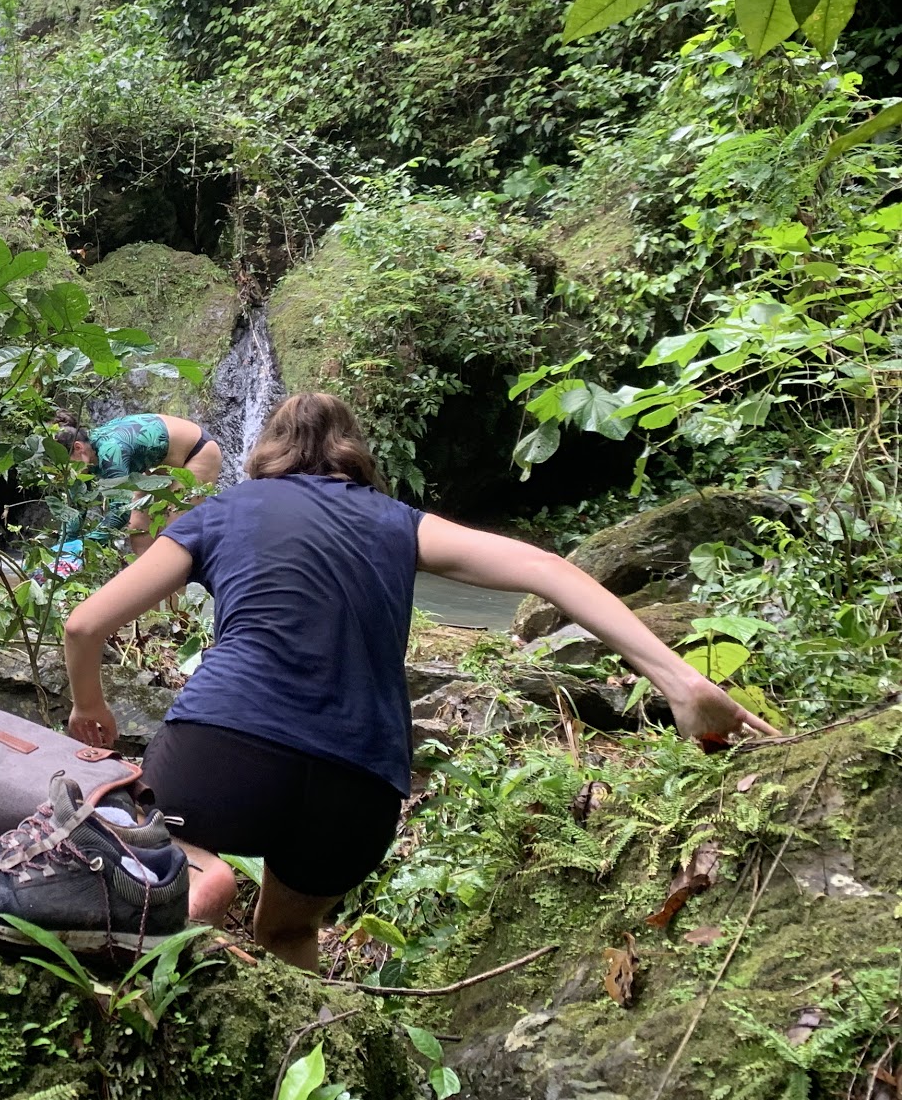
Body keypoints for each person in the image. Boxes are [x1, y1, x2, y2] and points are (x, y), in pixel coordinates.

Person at [59, 392, 776, 972]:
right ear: (355, 459)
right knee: (283, 932)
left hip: (223, 759)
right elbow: (548, 571)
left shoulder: (223, 510)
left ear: (266, 456)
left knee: (146, 835)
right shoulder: (398, 523)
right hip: (360, 787)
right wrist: (678, 679)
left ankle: (195, 879)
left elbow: (85, 626)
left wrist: (90, 703)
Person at [55, 412, 226, 555]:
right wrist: (64, 546)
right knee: (139, 529)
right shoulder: (87, 454)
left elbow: (120, 512)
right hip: (159, 464)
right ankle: (154, 588)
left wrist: (83, 546)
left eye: (66, 463)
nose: (66, 470)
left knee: (175, 536)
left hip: (197, 452)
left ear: (78, 448)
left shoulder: (110, 450)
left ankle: (175, 593)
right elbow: (77, 503)